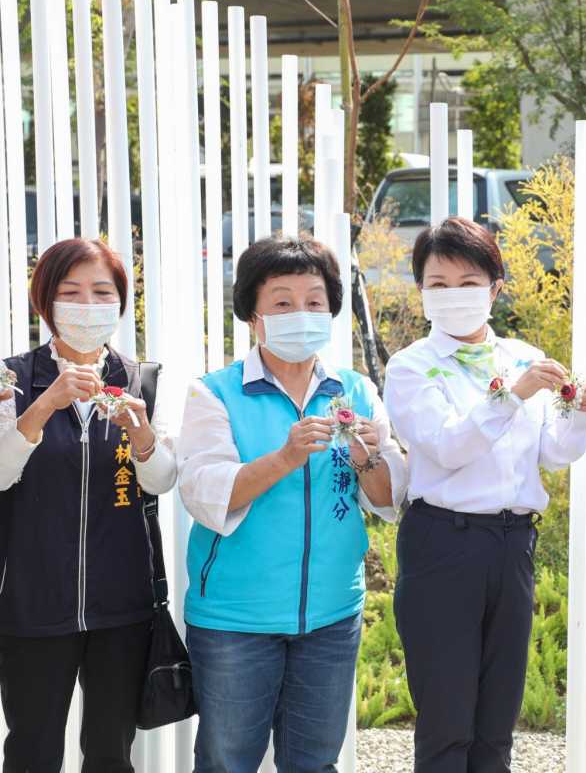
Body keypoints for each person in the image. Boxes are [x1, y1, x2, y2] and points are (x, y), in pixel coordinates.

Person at [176, 236, 408, 772]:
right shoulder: (214, 394)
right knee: (227, 762)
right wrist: (285, 456)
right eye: (282, 302)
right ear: (253, 315)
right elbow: (206, 492)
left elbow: (387, 498)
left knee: (314, 764)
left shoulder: (355, 391)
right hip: (235, 621)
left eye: (314, 301)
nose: (300, 313)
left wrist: (369, 457)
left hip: (331, 616)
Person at [384, 217, 586, 773]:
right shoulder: (411, 367)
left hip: (512, 544)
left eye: (469, 282)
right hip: (444, 545)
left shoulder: (522, 356)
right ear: (422, 292)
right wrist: (514, 396)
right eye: (439, 284)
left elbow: (551, 454)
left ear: (496, 289)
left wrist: (578, 413)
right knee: (447, 721)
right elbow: (447, 446)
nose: (454, 295)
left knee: (497, 719)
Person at [0, 238, 178, 772]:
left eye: (102, 292)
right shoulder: (13, 379)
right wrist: (46, 404)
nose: (86, 305)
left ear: (120, 304)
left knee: (109, 752)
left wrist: (143, 437)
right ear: (45, 302)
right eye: (70, 292)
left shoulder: (139, 378)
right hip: (32, 603)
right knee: (31, 751)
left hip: (121, 604)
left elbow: (163, 479)